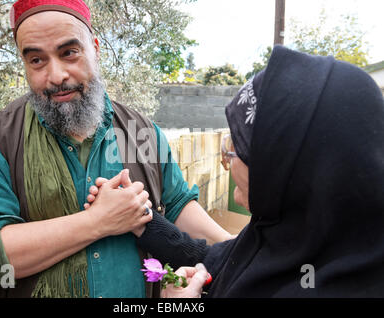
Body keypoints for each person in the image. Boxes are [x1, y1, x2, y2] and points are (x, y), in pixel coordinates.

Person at [0, 0, 231, 298]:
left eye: (69, 53)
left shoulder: (143, 133)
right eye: (37, 60)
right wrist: (96, 222)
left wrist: (241, 251)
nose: (56, 75)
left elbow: (178, 206)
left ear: (95, 48)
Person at [90, 45, 384, 297]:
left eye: (235, 149)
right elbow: (218, 259)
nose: (227, 161)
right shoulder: (290, 236)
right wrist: (139, 219)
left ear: (286, 169)